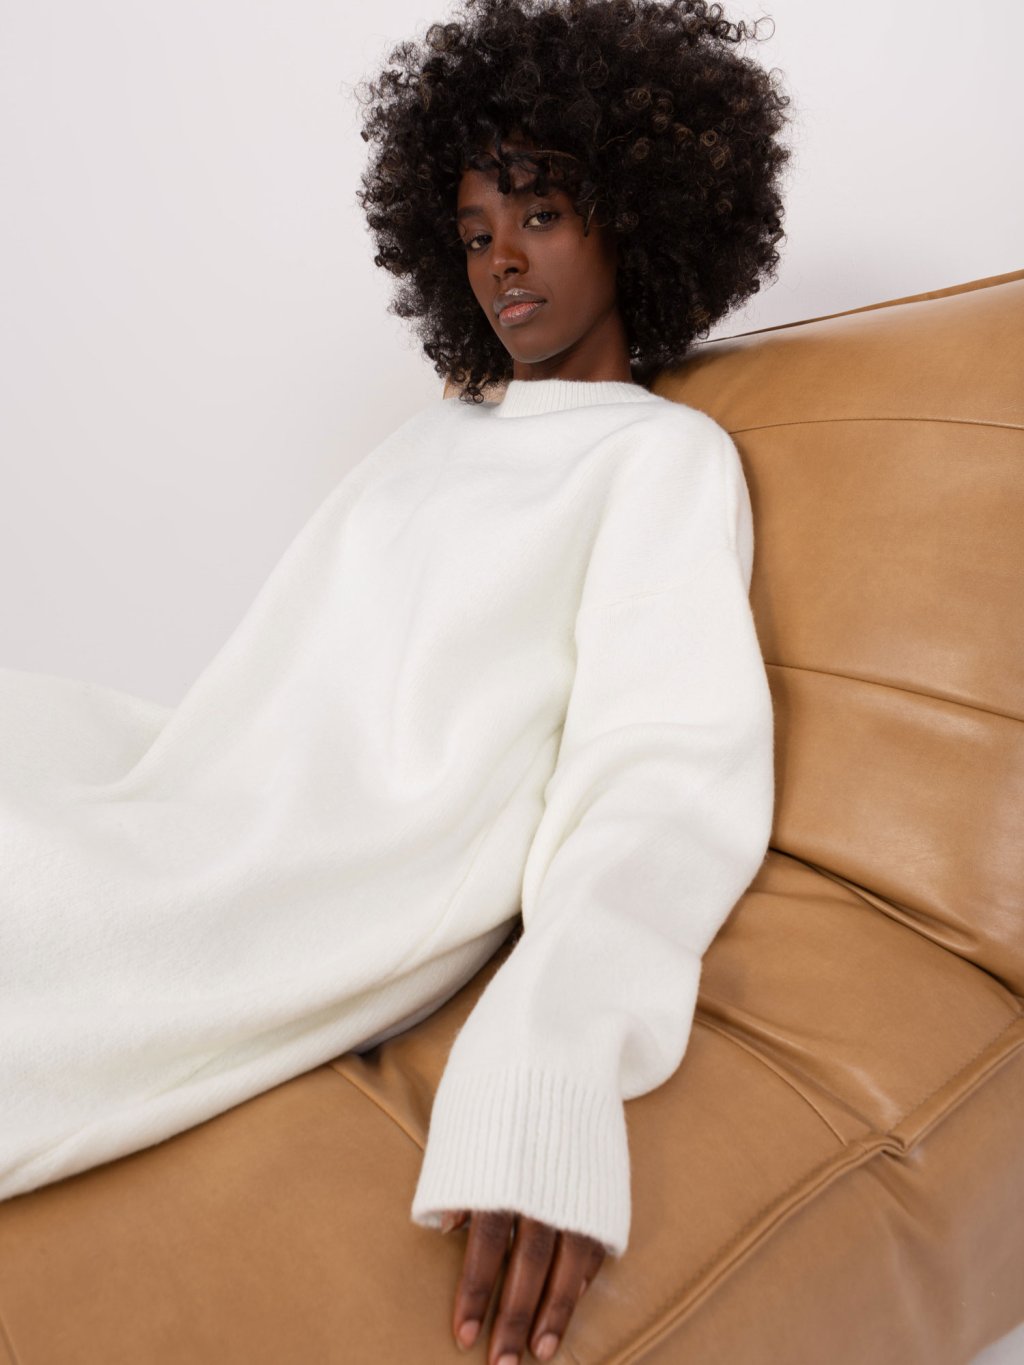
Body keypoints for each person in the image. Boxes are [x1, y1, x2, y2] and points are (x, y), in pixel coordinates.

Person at [1, 0, 791, 1360]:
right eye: (476, 233)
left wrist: (549, 1055)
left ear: (637, 218)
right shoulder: (437, 437)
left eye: (542, 214)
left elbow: (664, 768)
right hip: (196, 791)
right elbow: (281, 688)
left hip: (311, 875)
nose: (503, 261)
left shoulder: (660, 461)